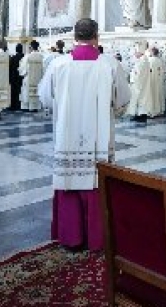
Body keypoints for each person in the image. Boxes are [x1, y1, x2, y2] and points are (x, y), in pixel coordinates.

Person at [39, 18, 130, 251]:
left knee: (69, 179)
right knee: (96, 181)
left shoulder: (59, 65)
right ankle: (97, 238)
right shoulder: (109, 65)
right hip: (98, 137)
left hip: (66, 135)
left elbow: (45, 98)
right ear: (97, 36)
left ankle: (71, 236)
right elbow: (123, 99)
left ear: (74, 37)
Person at [126, 40, 152, 122]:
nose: (135, 54)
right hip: (141, 83)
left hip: (139, 84)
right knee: (141, 99)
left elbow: (138, 74)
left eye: (136, 52)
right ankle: (138, 114)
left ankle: (141, 116)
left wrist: (132, 80)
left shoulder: (143, 60)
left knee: (140, 99)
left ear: (140, 52)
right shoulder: (143, 59)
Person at [19, 40, 45, 112]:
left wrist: (22, 72)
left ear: (31, 47)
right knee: (36, 91)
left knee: (26, 91)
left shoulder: (28, 56)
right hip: (38, 78)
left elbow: (23, 68)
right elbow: (43, 69)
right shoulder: (41, 56)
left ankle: (28, 107)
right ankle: (35, 106)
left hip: (29, 78)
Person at [146, 46, 166, 117]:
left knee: (152, 96)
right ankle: (160, 110)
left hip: (152, 81)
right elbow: (164, 71)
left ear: (152, 52)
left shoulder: (149, 60)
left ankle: (152, 111)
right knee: (159, 95)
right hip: (159, 81)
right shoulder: (160, 61)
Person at [8, 43, 25, 111]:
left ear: (16, 50)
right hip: (22, 77)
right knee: (21, 91)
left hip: (14, 77)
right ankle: (20, 104)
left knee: (14, 92)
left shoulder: (13, 58)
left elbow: (10, 68)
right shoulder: (24, 57)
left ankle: (14, 105)